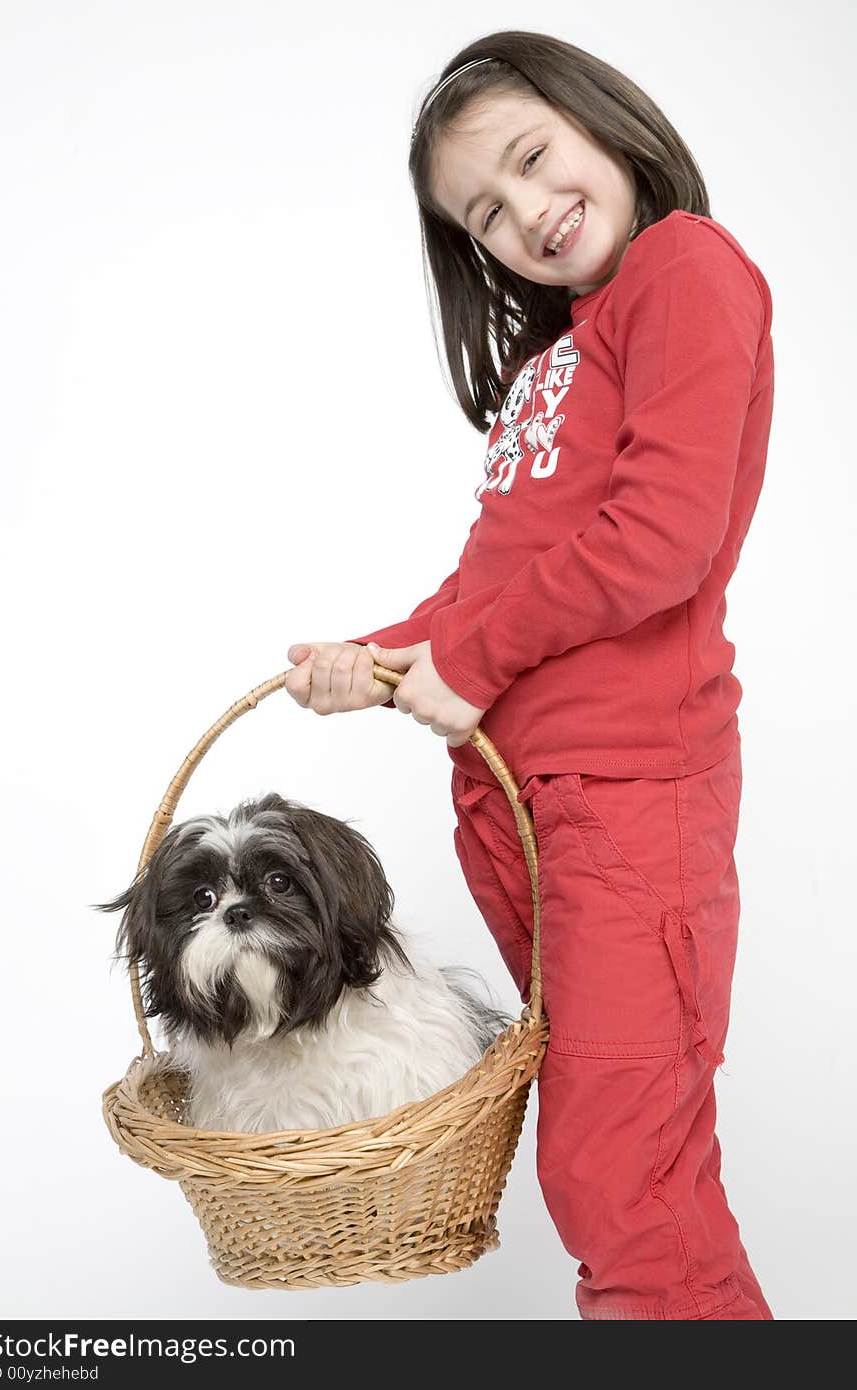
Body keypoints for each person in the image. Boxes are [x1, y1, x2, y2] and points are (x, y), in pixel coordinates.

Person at [284, 31, 775, 1320]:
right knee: (623, 1176)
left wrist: (471, 655)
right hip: (520, 801)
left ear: (603, 121)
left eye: (533, 159)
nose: (527, 213)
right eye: (484, 214)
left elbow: (660, 541)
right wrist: (384, 659)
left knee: (623, 1177)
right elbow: (486, 587)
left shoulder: (684, 267)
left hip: (626, 797)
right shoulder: (556, 357)